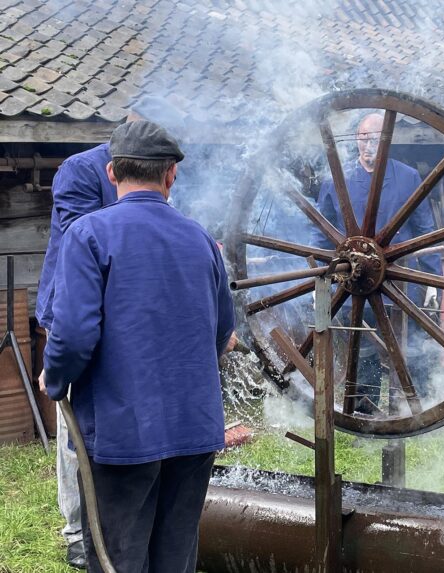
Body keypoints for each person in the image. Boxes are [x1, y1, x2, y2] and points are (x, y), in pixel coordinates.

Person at [39, 120, 235, 572]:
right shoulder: (203, 239)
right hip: (194, 430)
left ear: (111, 173)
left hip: (122, 434)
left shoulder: (88, 235)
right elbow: (221, 332)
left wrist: (56, 376)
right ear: (171, 175)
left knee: (118, 559)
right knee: (176, 558)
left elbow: (73, 335)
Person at [34, 96, 186, 569]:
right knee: (77, 424)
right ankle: (78, 531)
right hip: (77, 308)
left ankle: (128, 527)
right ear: (132, 120)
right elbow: (83, 239)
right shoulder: (81, 170)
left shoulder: (164, 165)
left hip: (137, 318)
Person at [312, 112, 441, 413]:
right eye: (363, 137)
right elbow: (320, 235)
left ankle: (413, 408)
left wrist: (434, 283)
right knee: (363, 347)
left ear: (387, 141)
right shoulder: (337, 180)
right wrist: (318, 281)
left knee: (407, 346)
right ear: (356, 139)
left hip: (399, 280)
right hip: (354, 282)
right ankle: (365, 410)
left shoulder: (407, 177)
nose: (368, 145)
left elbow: (426, 233)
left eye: (375, 138)